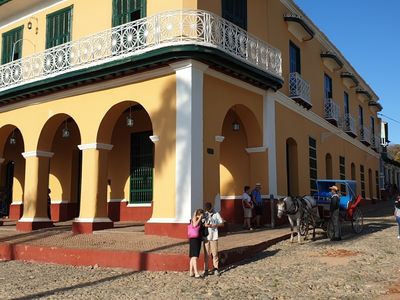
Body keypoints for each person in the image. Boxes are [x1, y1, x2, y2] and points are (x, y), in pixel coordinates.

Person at [203, 202, 224, 276]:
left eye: (209, 209)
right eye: (207, 209)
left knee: (215, 254)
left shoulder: (216, 214)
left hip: (214, 236)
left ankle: (216, 268)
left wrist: (215, 225)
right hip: (206, 237)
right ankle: (206, 269)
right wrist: (204, 225)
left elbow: (222, 223)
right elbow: (200, 223)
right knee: (206, 254)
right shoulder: (204, 214)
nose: (208, 210)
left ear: (211, 207)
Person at [188, 209, 204, 278]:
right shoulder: (194, 218)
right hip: (194, 239)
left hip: (197, 239)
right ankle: (196, 272)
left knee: (193, 257)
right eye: (201, 214)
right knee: (194, 257)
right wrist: (200, 218)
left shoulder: (199, 219)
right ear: (199, 214)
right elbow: (194, 225)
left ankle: (191, 272)